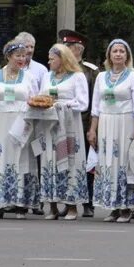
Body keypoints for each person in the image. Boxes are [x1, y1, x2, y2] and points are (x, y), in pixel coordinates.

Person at [88, 39, 134, 223]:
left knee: (124, 163)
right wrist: (92, 130)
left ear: (127, 56)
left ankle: (126, 207)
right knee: (107, 163)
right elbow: (96, 106)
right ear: (109, 55)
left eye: (122, 51)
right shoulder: (100, 77)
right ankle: (112, 206)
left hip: (125, 122)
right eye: (115, 51)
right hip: (106, 122)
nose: (118, 54)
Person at [0, 40, 41, 219]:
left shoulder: (29, 77)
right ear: (8, 56)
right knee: (0, 160)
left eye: (24, 55)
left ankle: (20, 204)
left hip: (21, 122)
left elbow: (35, 100)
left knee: (21, 160)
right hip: (0, 122)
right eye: (18, 55)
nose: (22, 59)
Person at [40, 44, 90, 220]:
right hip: (50, 125)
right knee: (50, 161)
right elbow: (40, 96)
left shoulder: (77, 77)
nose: (49, 61)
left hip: (69, 126)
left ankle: (72, 206)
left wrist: (64, 105)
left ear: (62, 59)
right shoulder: (46, 77)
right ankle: (52, 206)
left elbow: (83, 103)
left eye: (52, 58)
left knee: (70, 161)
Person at [60, 29, 99, 218]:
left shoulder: (90, 71)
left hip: (83, 125)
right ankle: (68, 201)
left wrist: (93, 128)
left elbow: (94, 102)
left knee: (86, 165)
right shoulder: (60, 71)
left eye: (68, 48)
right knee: (65, 163)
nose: (64, 52)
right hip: (63, 125)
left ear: (78, 50)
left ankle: (88, 202)